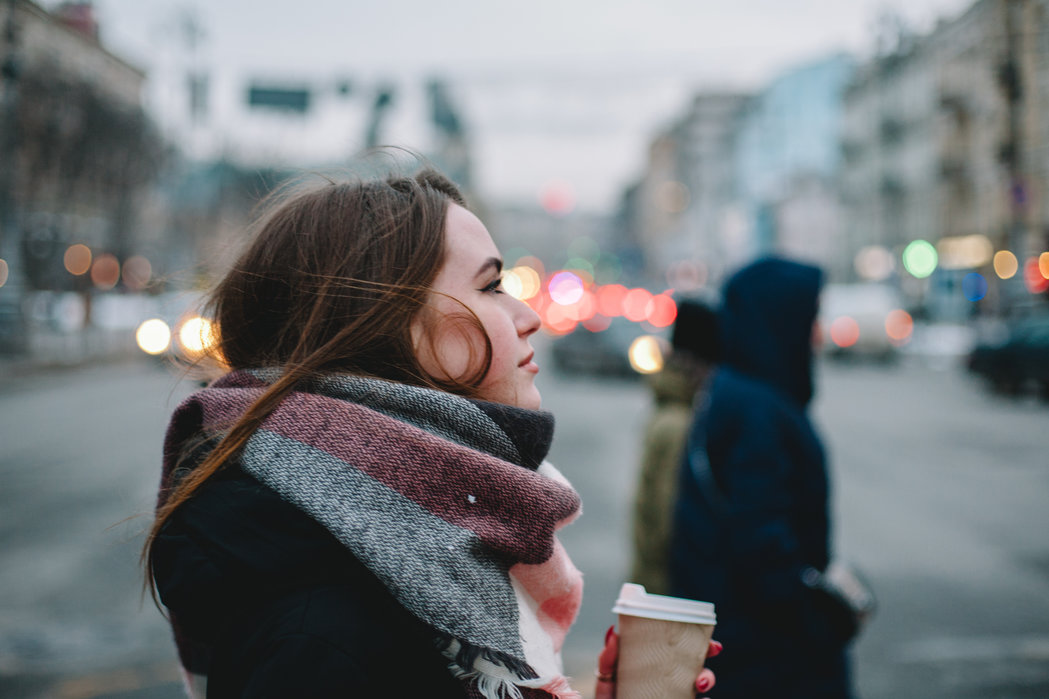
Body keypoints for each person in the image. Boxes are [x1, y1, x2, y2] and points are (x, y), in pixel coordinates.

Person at [143, 166, 718, 698]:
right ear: (385, 324)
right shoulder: (324, 637)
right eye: (492, 287)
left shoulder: (408, 553)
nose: (530, 317)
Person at [668, 257, 852, 698]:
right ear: (778, 322)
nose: (816, 333)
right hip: (769, 655)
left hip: (744, 639)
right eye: (808, 319)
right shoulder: (758, 410)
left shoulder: (737, 392)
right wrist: (817, 620)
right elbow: (761, 539)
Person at [630, 298, 719, 594]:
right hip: (666, 589)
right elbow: (668, 524)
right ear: (696, 364)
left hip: (653, 580)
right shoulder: (680, 424)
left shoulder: (670, 407)